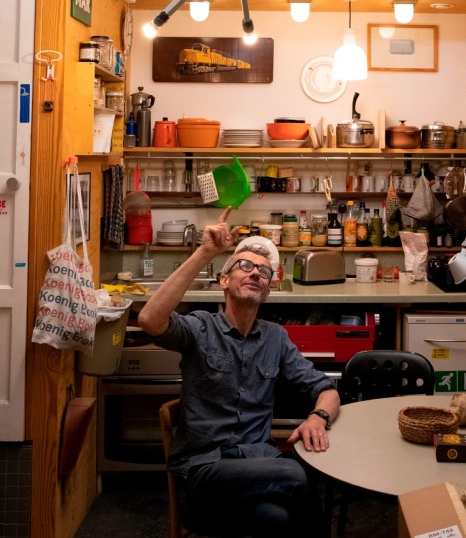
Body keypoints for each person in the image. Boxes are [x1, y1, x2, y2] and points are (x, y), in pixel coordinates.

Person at [138, 207, 340, 538]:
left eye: (264, 271)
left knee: (274, 518)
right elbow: (150, 320)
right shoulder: (201, 327)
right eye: (244, 265)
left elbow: (327, 390)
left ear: (268, 290)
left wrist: (317, 417)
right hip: (206, 471)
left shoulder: (276, 338)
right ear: (224, 280)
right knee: (298, 474)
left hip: (259, 467)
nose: (255, 273)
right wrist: (205, 252)